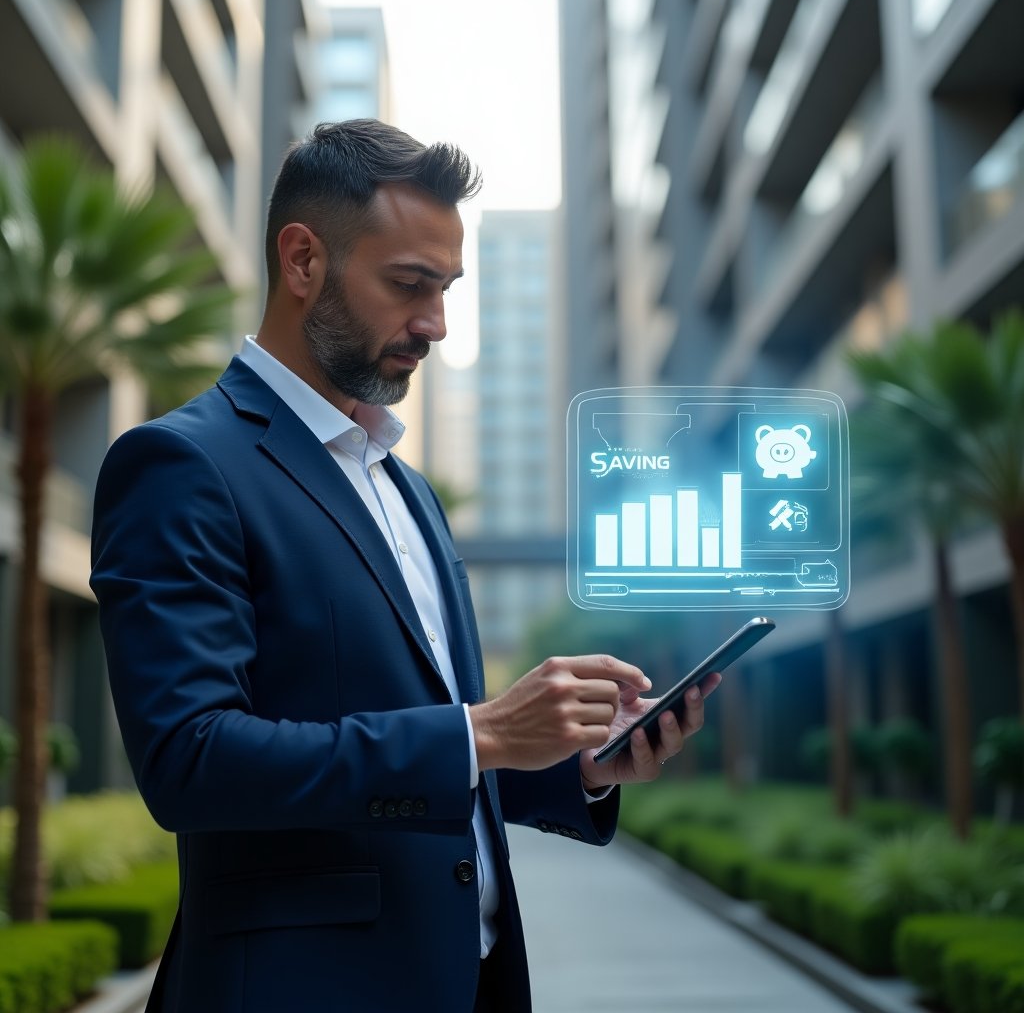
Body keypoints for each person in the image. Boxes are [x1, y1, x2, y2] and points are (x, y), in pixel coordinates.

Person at [90, 119, 718, 1013]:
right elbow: (190, 760)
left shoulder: (407, 487)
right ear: (302, 261)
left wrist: (575, 765)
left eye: (448, 288)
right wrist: (483, 731)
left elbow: (438, 761)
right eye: (408, 285)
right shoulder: (182, 466)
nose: (436, 325)